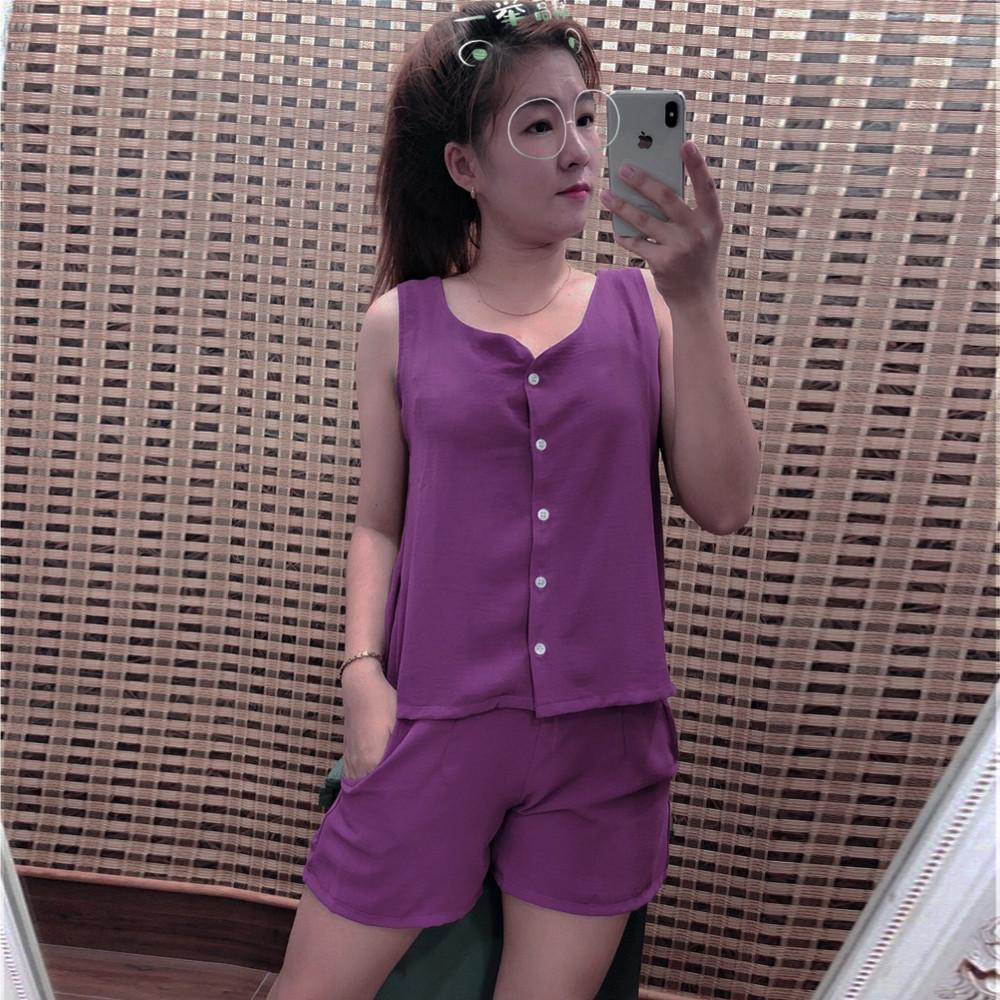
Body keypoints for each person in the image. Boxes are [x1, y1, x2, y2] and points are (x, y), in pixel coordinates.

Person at [268, 3, 753, 998]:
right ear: (464, 167)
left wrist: (698, 298)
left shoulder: (648, 310)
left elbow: (725, 503)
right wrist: (362, 676)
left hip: (604, 740)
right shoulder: (399, 323)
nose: (576, 148)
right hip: (434, 722)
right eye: (537, 124)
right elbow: (379, 521)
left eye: (586, 116)